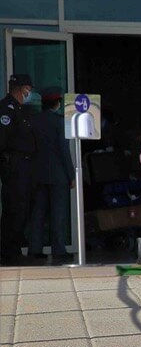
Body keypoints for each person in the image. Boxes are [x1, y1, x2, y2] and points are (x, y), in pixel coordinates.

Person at [28, 89, 75, 264]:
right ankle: (59, 250)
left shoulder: (33, 121)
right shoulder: (60, 122)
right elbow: (64, 150)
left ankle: (34, 249)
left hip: (37, 174)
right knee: (58, 214)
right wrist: (71, 175)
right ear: (57, 103)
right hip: (58, 175)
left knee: (38, 214)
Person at [0, 74, 38, 265]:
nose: (30, 93)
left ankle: (14, 248)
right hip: (14, 166)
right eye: (28, 89)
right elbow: (3, 140)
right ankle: (9, 251)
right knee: (14, 208)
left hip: (25, 165)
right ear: (21, 89)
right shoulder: (6, 109)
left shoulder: (21, 109)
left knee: (22, 208)